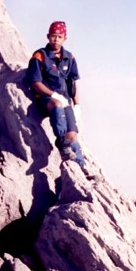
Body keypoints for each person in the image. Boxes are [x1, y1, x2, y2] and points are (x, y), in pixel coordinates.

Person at [25, 21, 88, 172]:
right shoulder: (40, 55)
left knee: (73, 136)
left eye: (59, 36)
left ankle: (82, 169)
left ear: (64, 38)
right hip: (45, 100)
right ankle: (61, 142)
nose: (56, 39)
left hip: (65, 100)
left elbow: (73, 83)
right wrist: (53, 94)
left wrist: (77, 104)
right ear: (48, 36)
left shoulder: (70, 58)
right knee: (57, 105)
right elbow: (35, 82)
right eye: (53, 36)